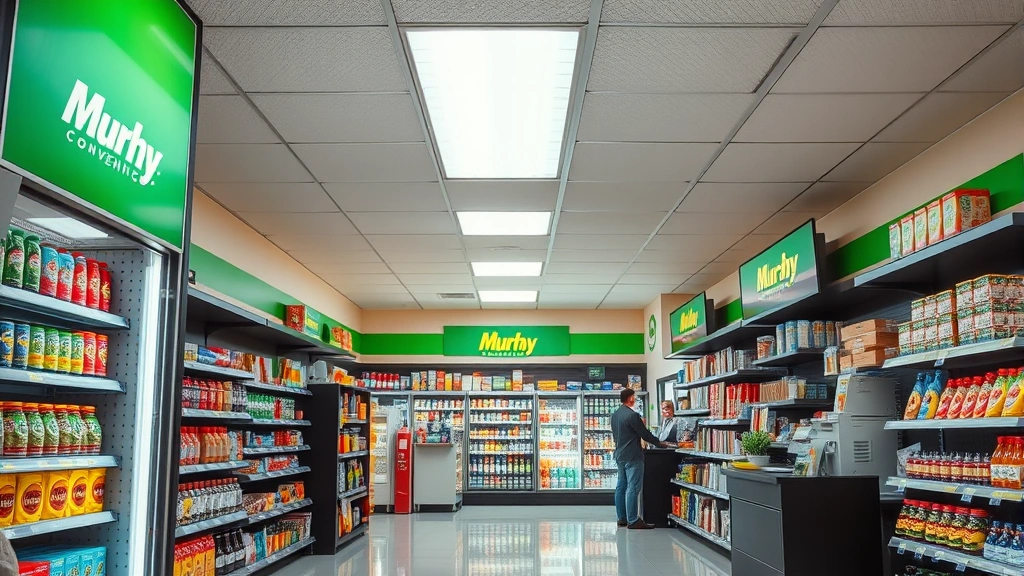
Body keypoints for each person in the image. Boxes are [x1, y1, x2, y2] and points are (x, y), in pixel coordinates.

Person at [611, 389, 675, 529]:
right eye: (634, 397)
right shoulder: (632, 415)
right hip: (633, 455)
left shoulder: (615, 415)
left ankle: (622, 518)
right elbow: (644, 434)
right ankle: (633, 520)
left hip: (620, 454)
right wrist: (659, 443)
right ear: (630, 399)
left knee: (621, 486)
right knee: (633, 487)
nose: (635, 399)